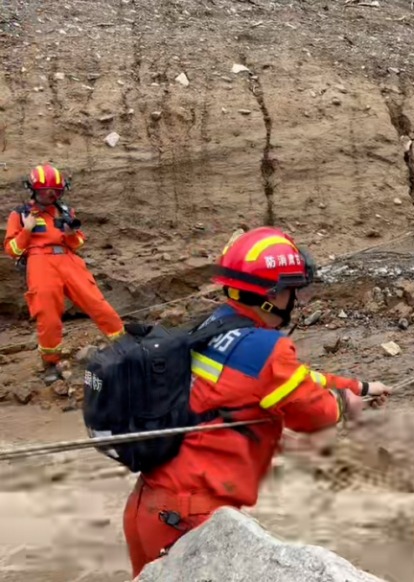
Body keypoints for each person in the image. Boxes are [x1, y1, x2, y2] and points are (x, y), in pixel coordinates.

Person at [122, 226, 392, 576]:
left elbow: (295, 380)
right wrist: (345, 403)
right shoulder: (268, 349)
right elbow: (313, 414)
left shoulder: (216, 324)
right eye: (293, 290)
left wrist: (359, 385)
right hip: (192, 517)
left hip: (148, 506)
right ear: (272, 295)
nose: (296, 299)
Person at [3, 164, 125, 383]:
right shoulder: (20, 214)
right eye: (46, 191)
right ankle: (51, 363)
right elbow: (12, 250)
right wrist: (27, 229)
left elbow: (77, 243)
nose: (51, 195)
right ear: (34, 190)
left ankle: (125, 345)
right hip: (40, 261)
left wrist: (70, 234)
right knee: (47, 313)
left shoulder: (65, 211)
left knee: (96, 302)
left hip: (69, 260)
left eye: (55, 191)